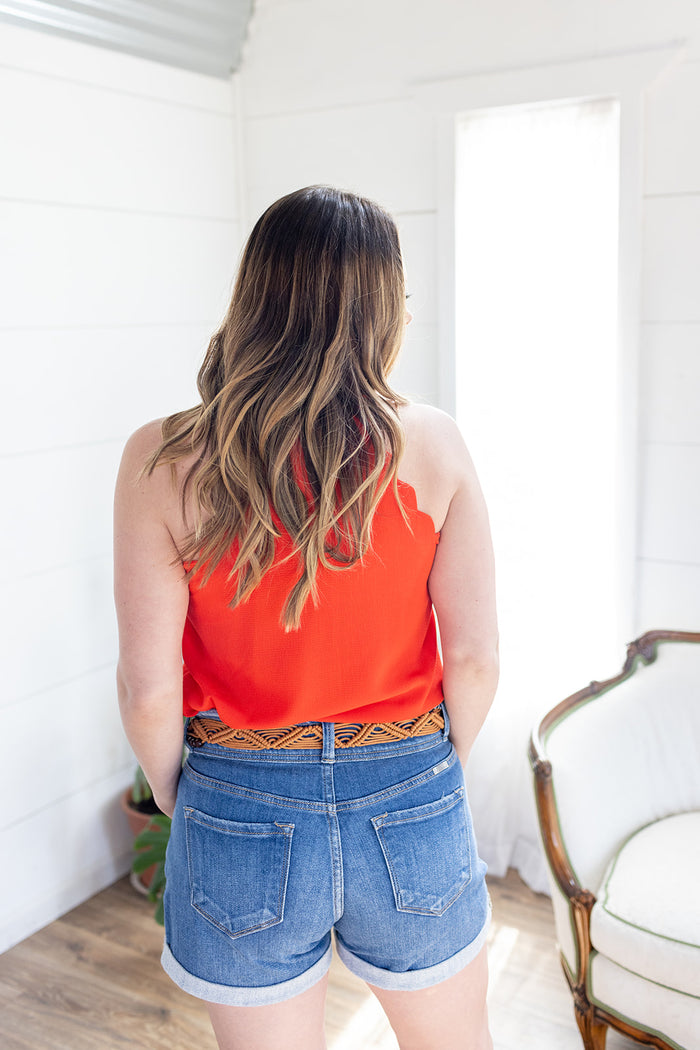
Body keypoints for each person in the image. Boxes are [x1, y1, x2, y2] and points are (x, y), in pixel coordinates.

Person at [114, 185, 499, 1050]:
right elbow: (473, 657)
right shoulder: (433, 444)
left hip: (236, 793)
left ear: (253, 296)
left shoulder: (162, 459)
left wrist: (187, 792)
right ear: (380, 312)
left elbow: (147, 687)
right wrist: (434, 770)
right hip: (409, 788)